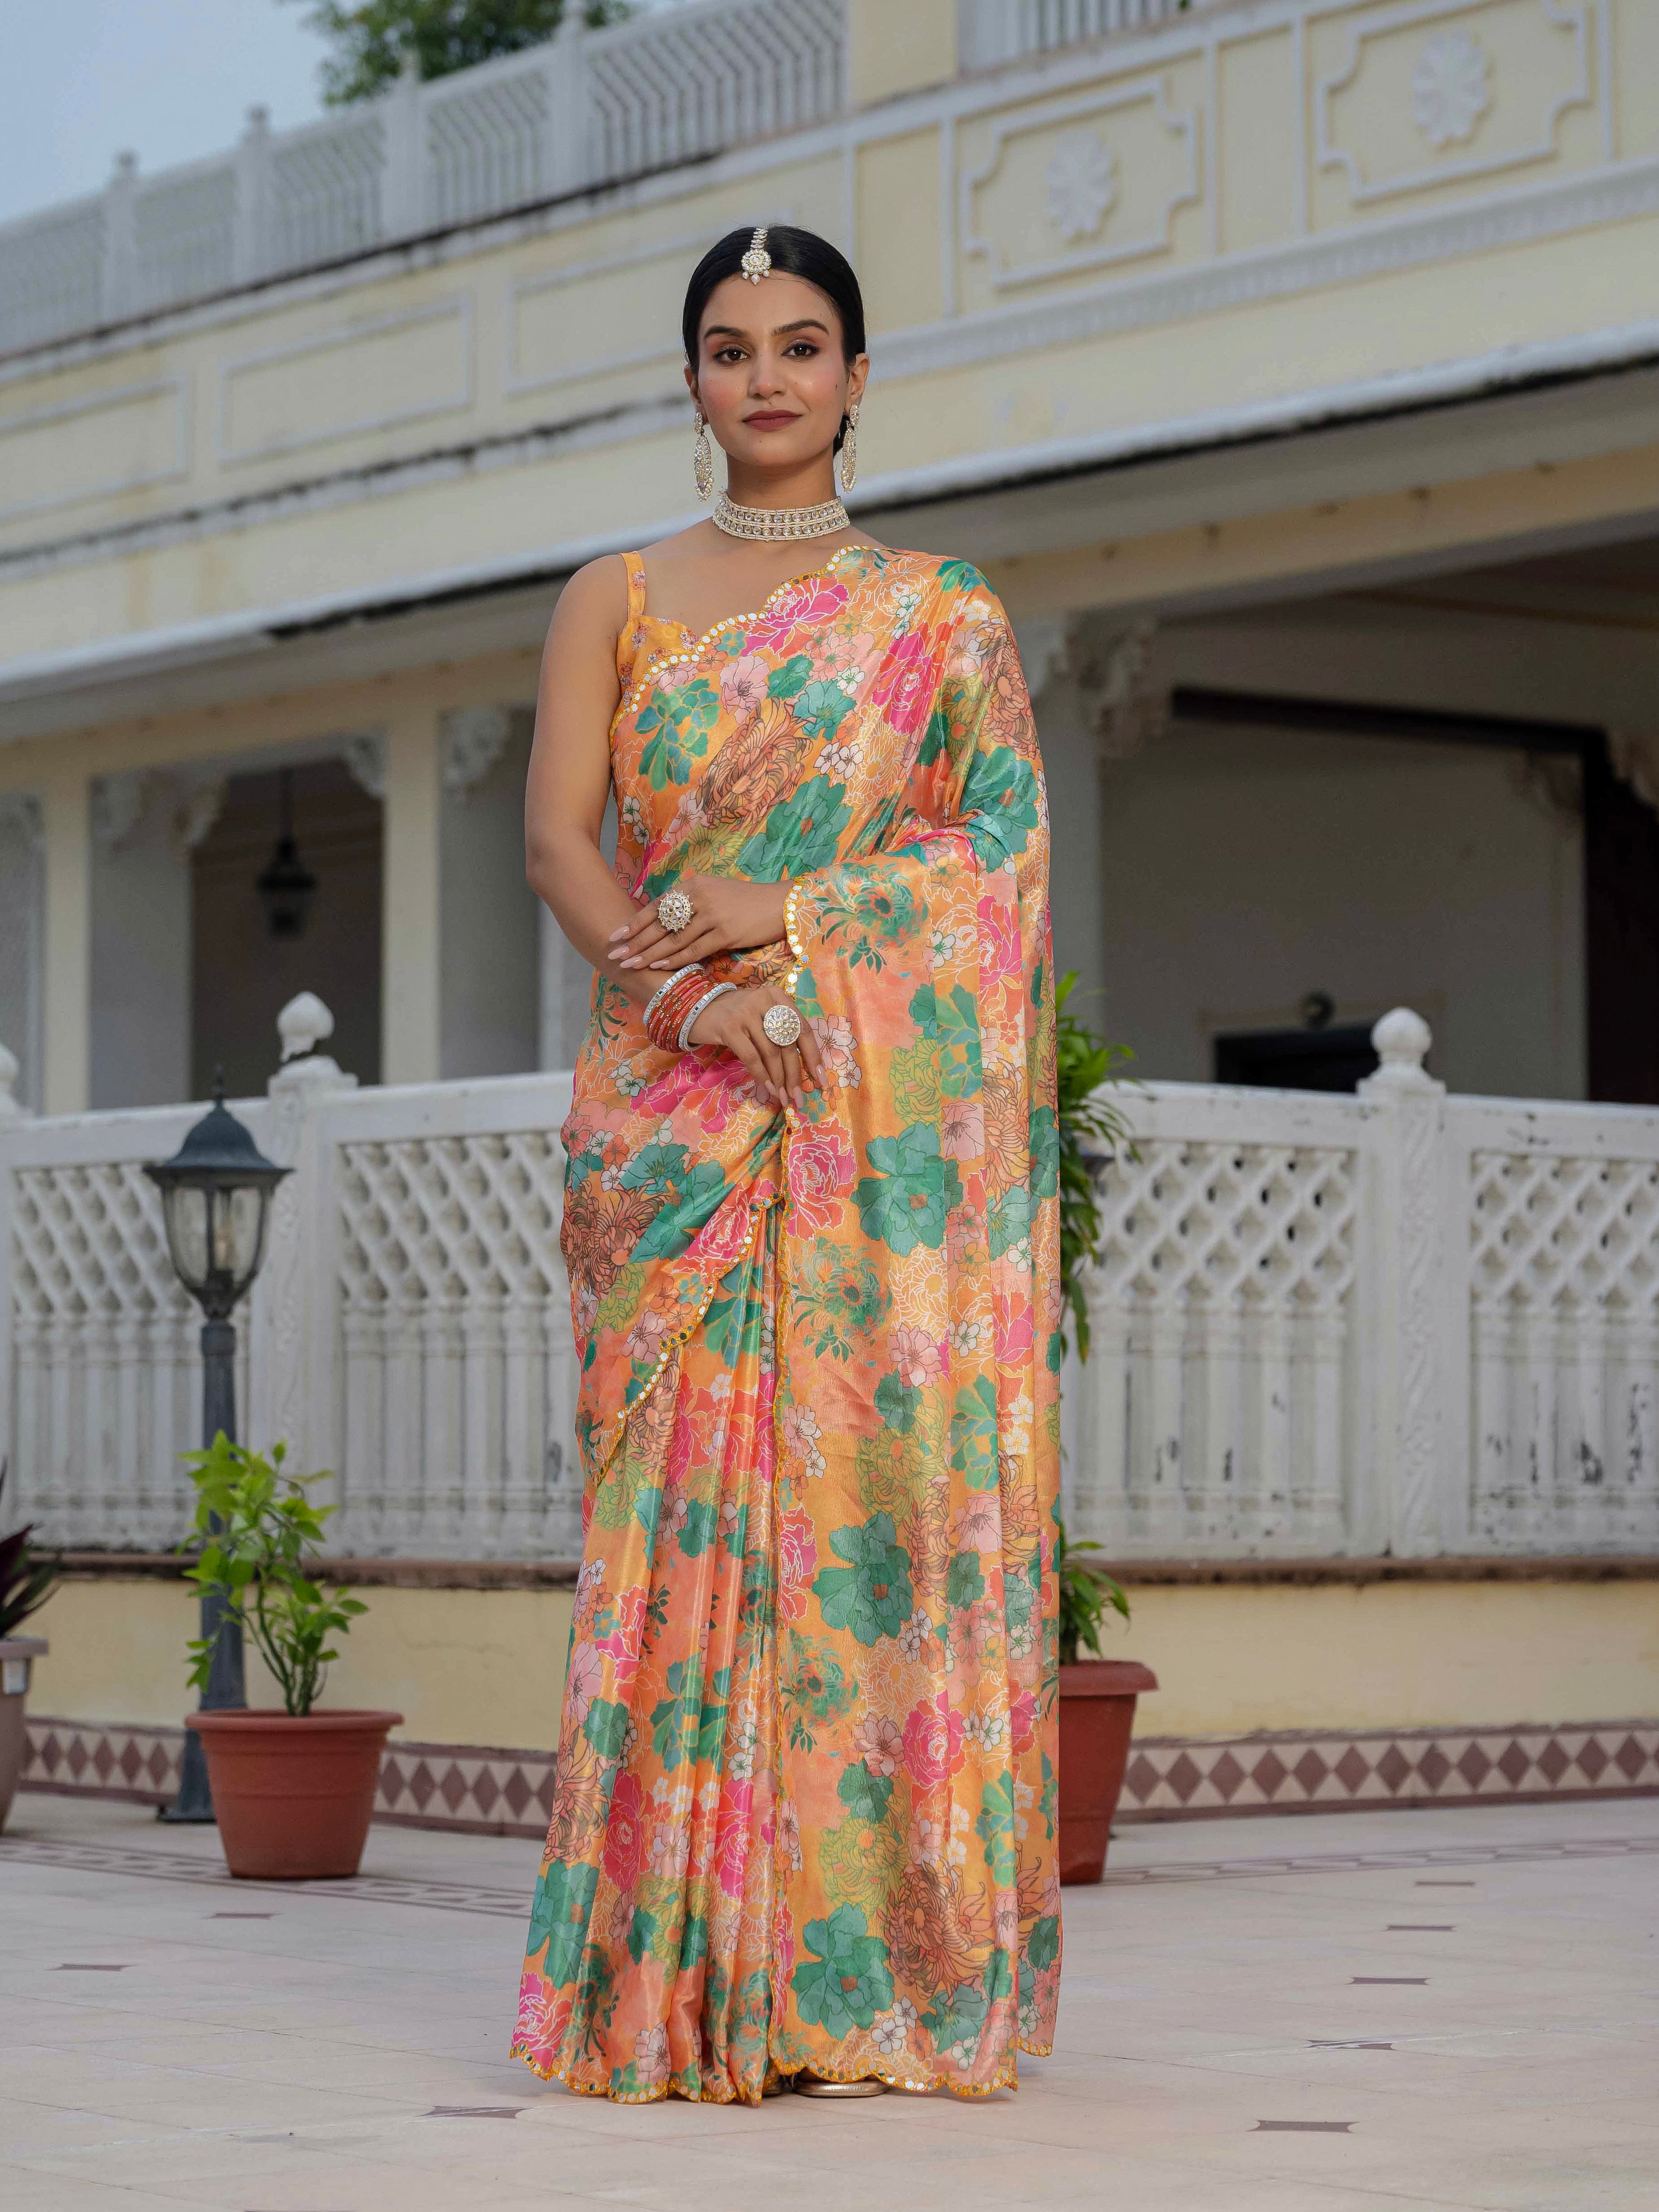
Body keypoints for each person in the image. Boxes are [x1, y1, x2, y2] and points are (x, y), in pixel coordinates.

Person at [512, 224, 1061, 2105]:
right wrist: (694, 1002)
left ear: (854, 373)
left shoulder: (942, 614)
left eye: (802, 343)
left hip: (861, 1136)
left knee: (866, 1528)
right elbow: (560, 847)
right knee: (668, 1542)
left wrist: (800, 916)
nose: (766, 375)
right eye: (731, 345)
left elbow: (995, 864)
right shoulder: (615, 594)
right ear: (690, 378)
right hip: (671, 1125)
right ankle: (668, 1986)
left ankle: (850, 1982)